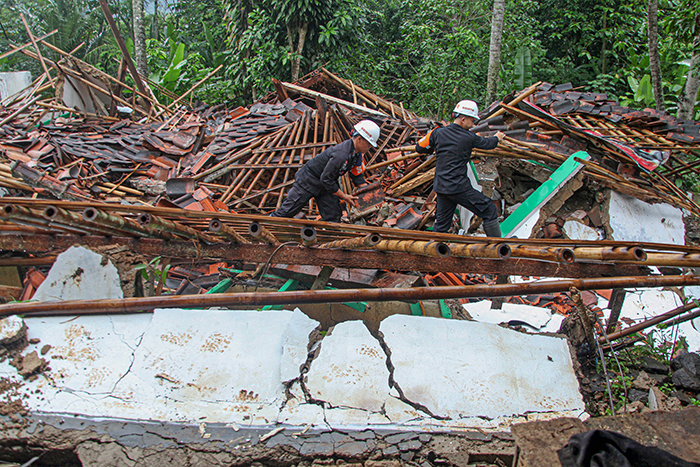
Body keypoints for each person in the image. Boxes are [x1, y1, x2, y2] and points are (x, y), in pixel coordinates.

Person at [415, 99, 505, 236]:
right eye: (472, 121)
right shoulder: (469, 137)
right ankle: (498, 248)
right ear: (463, 119)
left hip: (442, 187)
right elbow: (488, 144)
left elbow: (420, 147)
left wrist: (435, 147)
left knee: (441, 225)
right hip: (458, 187)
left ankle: (434, 252)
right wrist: (497, 137)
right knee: (489, 209)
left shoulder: (437, 133)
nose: (473, 124)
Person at [271, 120, 380, 223]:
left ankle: (329, 237)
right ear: (359, 139)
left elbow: (357, 176)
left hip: (325, 185)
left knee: (333, 215)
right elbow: (326, 179)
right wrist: (345, 196)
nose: (369, 147)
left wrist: (369, 195)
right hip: (308, 180)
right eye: (369, 144)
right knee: (288, 211)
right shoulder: (341, 155)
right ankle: (266, 227)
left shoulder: (357, 155)